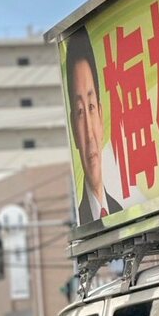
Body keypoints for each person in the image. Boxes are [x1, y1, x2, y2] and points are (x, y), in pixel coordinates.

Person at [65, 26, 122, 224]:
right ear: (73, 129)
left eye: (90, 107)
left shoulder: (122, 210)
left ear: (101, 115)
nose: (89, 133)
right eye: (80, 112)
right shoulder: (77, 220)